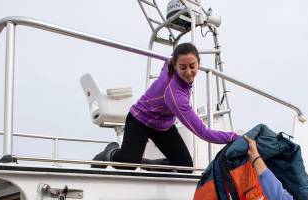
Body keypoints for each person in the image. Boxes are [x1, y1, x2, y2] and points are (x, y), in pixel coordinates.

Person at [92, 43, 240, 169]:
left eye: (192, 66)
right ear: (175, 65)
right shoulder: (175, 95)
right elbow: (203, 132)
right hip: (140, 119)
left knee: (185, 167)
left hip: (163, 125)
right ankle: (110, 151)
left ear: (198, 63)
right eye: (183, 67)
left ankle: (149, 164)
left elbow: (172, 56)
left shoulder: (169, 63)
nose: (188, 72)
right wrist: (234, 137)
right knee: (128, 164)